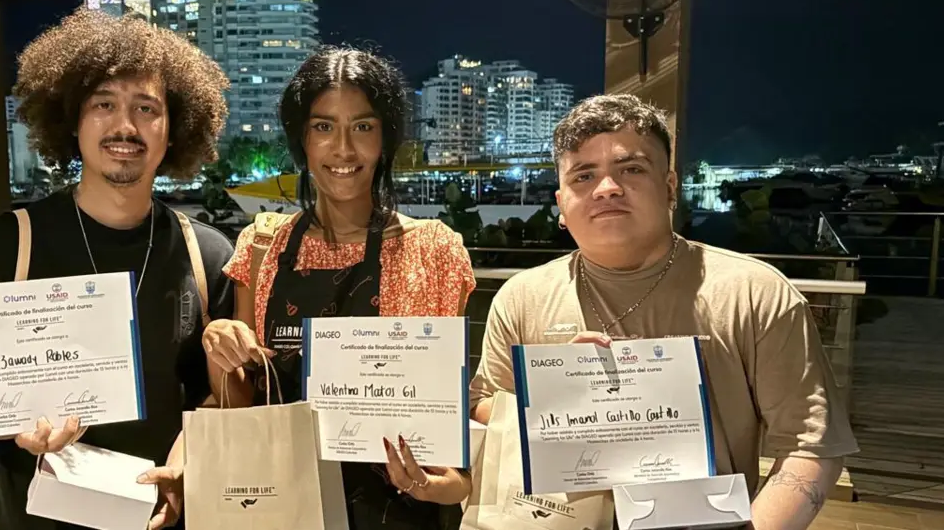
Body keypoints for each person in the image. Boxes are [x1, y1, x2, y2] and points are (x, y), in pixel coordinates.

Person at [469, 94, 858, 530]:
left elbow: (811, 446)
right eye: (584, 175)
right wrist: (557, 395)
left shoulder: (754, 294)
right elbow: (485, 405)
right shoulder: (521, 297)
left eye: (631, 169)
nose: (607, 188)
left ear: (670, 186)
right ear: (561, 203)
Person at [0, 9, 236, 530]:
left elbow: (217, 397)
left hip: (161, 512)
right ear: (72, 120)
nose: (125, 126)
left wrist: (188, 459)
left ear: (175, 129)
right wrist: (11, 426)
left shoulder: (207, 255)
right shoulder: (8, 244)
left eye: (147, 108)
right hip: (36, 515)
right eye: (103, 104)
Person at [200, 47, 477, 529]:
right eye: (324, 127)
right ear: (302, 139)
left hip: (397, 515)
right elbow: (241, 407)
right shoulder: (263, 247)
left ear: (385, 139)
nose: (344, 149)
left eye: (363, 127)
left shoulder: (434, 252)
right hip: (282, 508)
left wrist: (432, 485)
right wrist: (219, 347)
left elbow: (454, 466)